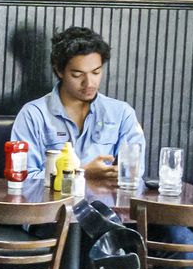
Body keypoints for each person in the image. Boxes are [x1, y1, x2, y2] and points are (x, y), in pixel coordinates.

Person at [10, 26, 146, 180]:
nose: (89, 83)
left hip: (105, 203)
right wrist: (82, 174)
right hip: (50, 203)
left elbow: (133, 175)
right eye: (77, 74)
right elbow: (25, 178)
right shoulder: (33, 114)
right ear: (59, 70)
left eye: (96, 72)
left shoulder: (122, 114)